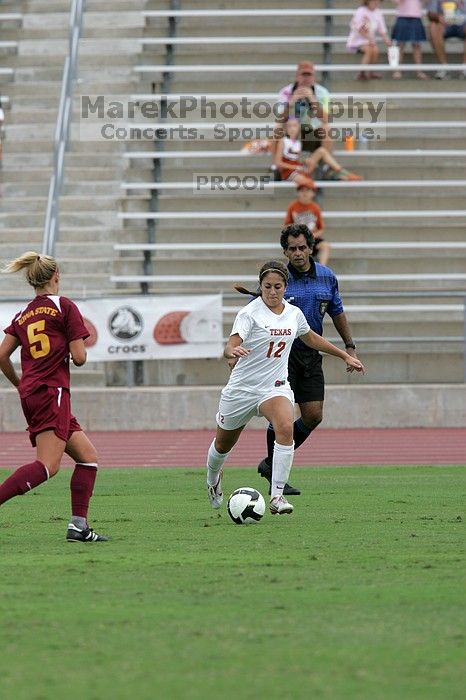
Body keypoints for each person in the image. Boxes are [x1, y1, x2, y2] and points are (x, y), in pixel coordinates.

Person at [206, 260, 365, 516]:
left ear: (285, 287)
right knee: (223, 446)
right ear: (260, 286)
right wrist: (231, 350)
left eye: (277, 286)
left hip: (274, 387)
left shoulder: (293, 313)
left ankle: (277, 496)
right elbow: (232, 342)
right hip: (243, 390)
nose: (272, 291)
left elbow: (311, 337)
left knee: (285, 427)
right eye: (267, 286)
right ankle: (213, 479)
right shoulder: (249, 313)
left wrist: (344, 355)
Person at [0, 251, 108, 542]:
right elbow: (80, 357)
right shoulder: (64, 306)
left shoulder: (23, 314)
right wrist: (73, 349)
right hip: (52, 392)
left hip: (34, 392)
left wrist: (19, 383)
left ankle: (78, 526)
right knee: (48, 466)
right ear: (56, 275)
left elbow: (1, 355)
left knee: (87, 458)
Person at [257, 225, 362, 495]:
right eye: (292, 248)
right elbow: (259, 316)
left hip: (311, 355)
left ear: (311, 247)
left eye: (302, 247)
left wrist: (349, 346)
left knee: (314, 415)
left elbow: (337, 312)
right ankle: (275, 479)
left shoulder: (327, 277)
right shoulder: (278, 279)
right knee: (280, 416)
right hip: (282, 354)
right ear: (285, 251)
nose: (298, 253)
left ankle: (270, 464)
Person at [274, 118, 363, 185]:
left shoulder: (298, 142)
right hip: (288, 172)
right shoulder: (283, 141)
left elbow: (296, 159)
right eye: (289, 126)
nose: (292, 128)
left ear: (298, 128)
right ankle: (336, 179)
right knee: (308, 183)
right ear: (286, 129)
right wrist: (295, 167)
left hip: (299, 168)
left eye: (295, 126)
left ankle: (345, 173)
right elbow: (278, 162)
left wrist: (305, 161)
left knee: (321, 151)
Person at [274, 60, 332, 157]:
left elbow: (326, 119)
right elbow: (279, 119)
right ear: (297, 76)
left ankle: (325, 165)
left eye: (309, 75)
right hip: (291, 131)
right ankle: (276, 165)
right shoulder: (285, 92)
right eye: (303, 75)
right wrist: (291, 102)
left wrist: (312, 99)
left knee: (327, 128)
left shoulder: (322, 92)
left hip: (312, 133)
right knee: (277, 128)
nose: (306, 78)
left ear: (314, 77)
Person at [284, 183, 330, 266]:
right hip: (297, 239)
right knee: (292, 247)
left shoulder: (315, 207)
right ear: (298, 193)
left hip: (312, 239)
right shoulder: (293, 206)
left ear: (313, 193)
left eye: (307, 190)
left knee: (325, 246)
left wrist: (312, 236)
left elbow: (321, 228)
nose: (304, 193)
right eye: (302, 190)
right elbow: (287, 225)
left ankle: (322, 269)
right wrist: (296, 233)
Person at [347, 0, 391, 80]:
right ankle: (362, 72)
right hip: (358, 39)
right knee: (369, 50)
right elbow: (358, 28)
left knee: (375, 50)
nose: (376, 3)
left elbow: (382, 30)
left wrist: (387, 41)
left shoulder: (378, 13)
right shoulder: (361, 11)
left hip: (370, 40)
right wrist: (369, 38)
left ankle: (371, 72)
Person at [427, 0, 466, 79]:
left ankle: (465, 67)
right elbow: (430, 14)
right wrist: (438, 17)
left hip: (463, 24)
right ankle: (444, 67)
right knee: (433, 26)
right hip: (444, 25)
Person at [391, 0, 428, 79]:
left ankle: (419, 71)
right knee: (400, 44)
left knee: (417, 45)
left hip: (416, 16)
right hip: (402, 16)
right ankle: (397, 70)